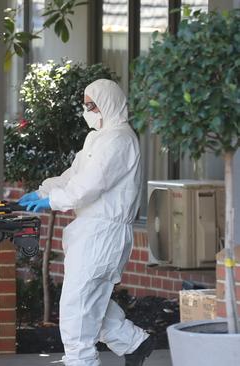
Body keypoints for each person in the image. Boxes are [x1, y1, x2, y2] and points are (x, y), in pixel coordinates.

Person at [18, 79, 155, 366]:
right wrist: (44, 190)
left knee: (77, 306)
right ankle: (135, 343)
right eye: (86, 105)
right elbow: (74, 174)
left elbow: (90, 185)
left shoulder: (119, 140)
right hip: (90, 231)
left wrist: (54, 201)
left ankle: (82, 362)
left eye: (91, 105)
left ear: (108, 103)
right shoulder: (97, 138)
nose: (87, 110)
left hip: (104, 231)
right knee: (91, 301)